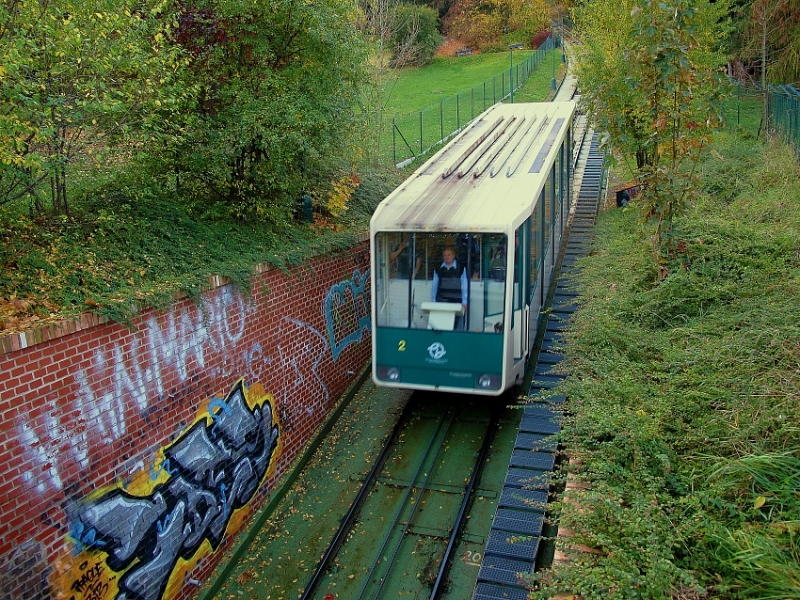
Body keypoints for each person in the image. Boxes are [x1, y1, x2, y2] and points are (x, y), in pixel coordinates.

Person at [431, 246, 468, 329]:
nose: (447, 257)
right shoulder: (438, 268)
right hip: (442, 300)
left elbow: (464, 285)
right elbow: (435, 285)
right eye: (445, 255)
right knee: (442, 325)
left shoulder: (461, 267)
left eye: (449, 255)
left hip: (457, 300)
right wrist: (434, 300)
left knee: (457, 326)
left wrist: (465, 301)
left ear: (453, 255)